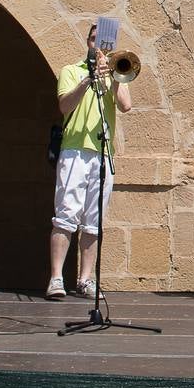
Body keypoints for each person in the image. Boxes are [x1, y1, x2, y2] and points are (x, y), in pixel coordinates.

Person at [46, 23, 133, 301]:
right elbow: (64, 106)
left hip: (102, 152)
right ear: (88, 42)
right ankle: (56, 278)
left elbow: (125, 105)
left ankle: (85, 279)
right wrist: (88, 79)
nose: (100, 46)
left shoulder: (114, 75)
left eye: (105, 41)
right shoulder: (71, 71)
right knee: (65, 215)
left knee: (93, 220)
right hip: (74, 151)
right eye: (95, 40)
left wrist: (114, 78)